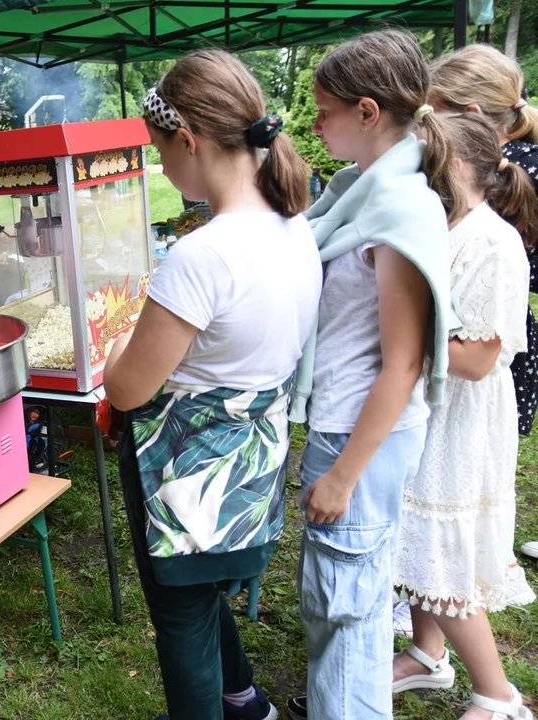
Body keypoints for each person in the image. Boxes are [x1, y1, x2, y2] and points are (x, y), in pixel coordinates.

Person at [105, 49, 322, 720]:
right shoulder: (295, 230)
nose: (161, 167)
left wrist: (115, 345)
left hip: (187, 478)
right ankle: (244, 698)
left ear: (190, 140)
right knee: (203, 597)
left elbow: (128, 390)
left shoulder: (201, 256)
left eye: (160, 151)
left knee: (182, 622)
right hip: (251, 473)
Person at [285, 30, 464, 720]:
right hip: (349, 430)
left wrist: (342, 475)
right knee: (339, 608)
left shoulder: (396, 213)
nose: (314, 122)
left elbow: (405, 363)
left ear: (366, 112)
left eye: (323, 109)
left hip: (360, 440)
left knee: (349, 620)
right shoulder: (360, 192)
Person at [392, 112, 536, 720]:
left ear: (448, 167)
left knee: (442, 548)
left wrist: (397, 337)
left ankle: (498, 695)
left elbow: (478, 360)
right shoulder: (444, 225)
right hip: (432, 404)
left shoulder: (492, 242)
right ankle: (428, 655)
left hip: (463, 416)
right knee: (415, 538)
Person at [428, 46, 538, 564]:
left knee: (454, 515)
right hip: (461, 353)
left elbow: (478, 351)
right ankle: (428, 634)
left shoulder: (485, 195)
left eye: (430, 112)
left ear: (467, 117)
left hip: (475, 351)